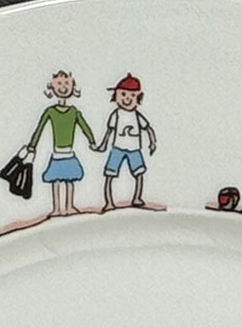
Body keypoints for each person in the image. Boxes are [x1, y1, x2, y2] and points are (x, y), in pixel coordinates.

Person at [20, 71, 97, 218]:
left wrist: (92, 141)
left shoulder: (74, 112)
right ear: (52, 87)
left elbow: (85, 127)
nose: (63, 87)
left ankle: (69, 206)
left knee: (70, 179)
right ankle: (56, 208)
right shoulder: (50, 111)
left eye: (67, 83)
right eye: (59, 84)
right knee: (55, 180)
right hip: (57, 153)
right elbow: (39, 128)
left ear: (73, 87)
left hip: (69, 153)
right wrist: (32, 145)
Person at [94, 74, 156, 210]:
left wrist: (152, 142)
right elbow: (109, 131)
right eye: (123, 94)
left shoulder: (137, 115)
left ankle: (137, 197)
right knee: (110, 174)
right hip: (118, 148)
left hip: (134, 149)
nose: (127, 99)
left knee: (139, 173)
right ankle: (109, 202)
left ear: (138, 97)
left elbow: (148, 128)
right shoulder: (116, 114)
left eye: (132, 96)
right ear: (116, 95)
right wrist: (103, 145)